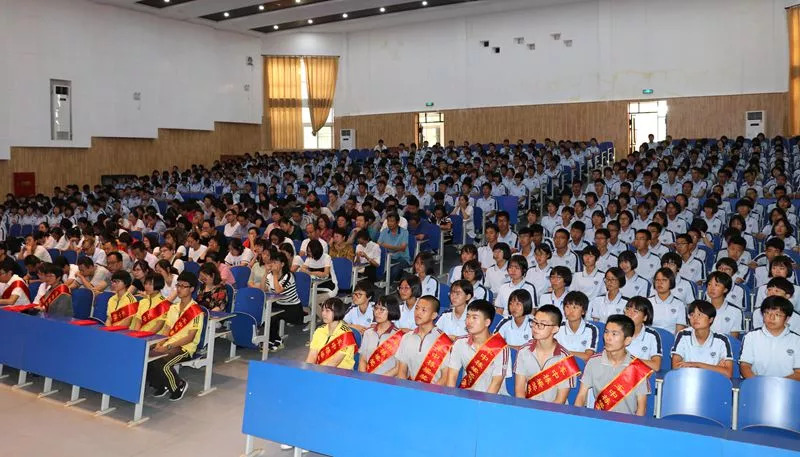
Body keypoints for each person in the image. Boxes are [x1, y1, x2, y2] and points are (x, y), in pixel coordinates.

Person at [574, 314, 652, 416]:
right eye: (606, 332)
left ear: (627, 340)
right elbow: (581, 396)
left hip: (626, 424)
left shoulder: (637, 368)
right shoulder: (594, 361)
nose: (608, 338)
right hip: (599, 420)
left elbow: (641, 409)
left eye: (614, 334)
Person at [147, 271, 205, 401]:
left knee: (163, 363)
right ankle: (162, 385)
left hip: (185, 348)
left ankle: (178, 385)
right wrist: (159, 343)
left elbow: (190, 338)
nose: (179, 289)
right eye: (178, 285)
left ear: (191, 289)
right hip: (169, 344)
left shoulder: (196, 311)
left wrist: (167, 347)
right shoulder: (173, 308)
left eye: (183, 286)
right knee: (149, 355)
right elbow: (166, 330)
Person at [514, 304, 579, 403]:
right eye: (534, 322)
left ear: (555, 329)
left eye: (542, 324)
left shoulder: (565, 359)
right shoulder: (524, 351)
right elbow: (519, 391)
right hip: (527, 408)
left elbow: (560, 400)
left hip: (553, 412)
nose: (535, 327)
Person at [445, 300, 510, 394]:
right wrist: (451, 399)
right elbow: (452, 376)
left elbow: (496, 383)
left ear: (487, 322)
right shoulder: (460, 343)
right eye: (467, 316)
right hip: (467, 395)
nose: (469, 321)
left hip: (493, 400)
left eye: (474, 318)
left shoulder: (501, 347)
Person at [396, 295, 452, 385]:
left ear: (434, 315)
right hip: (410, 390)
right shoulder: (406, 337)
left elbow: (445, 377)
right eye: (416, 308)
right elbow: (402, 371)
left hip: (433, 393)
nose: (418, 313)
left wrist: (428, 394)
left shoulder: (443, 341)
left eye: (423, 310)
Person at [740, 296, 800, 380]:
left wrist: (778, 384)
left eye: (777, 314)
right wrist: (757, 383)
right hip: (756, 385)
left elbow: (798, 372)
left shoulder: (797, 340)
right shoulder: (751, 336)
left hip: (787, 387)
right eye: (767, 313)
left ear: (787, 318)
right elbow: (745, 366)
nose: (771, 318)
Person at [671, 300, 733, 378]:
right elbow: (676, 367)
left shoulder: (722, 340)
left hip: (712, 382)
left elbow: (728, 373)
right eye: (692, 315)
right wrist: (715, 368)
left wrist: (696, 364)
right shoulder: (683, 335)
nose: (695, 318)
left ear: (711, 319)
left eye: (699, 314)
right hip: (687, 380)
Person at [264, 251, 304, 351]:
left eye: (276, 262)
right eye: (272, 262)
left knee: (273, 316)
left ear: (282, 264)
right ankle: (272, 339)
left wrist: (275, 275)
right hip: (279, 304)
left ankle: (275, 340)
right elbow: (262, 289)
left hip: (293, 308)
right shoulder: (270, 275)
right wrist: (265, 273)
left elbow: (278, 291)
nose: (273, 265)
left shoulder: (288, 276)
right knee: (266, 313)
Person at [358, 295, 404, 376]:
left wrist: (380, 380)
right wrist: (365, 378)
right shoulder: (368, 333)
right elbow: (363, 359)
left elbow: (398, 368)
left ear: (391, 311)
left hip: (388, 382)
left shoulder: (399, 336)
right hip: (368, 379)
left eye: (382, 309)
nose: (377, 312)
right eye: (375, 308)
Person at [306, 297, 357, 371]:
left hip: (341, 374)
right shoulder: (319, 330)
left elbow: (334, 363)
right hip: (320, 371)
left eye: (327, 311)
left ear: (337, 312)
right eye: (323, 310)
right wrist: (307, 371)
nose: (323, 313)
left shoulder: (346, 334)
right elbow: (312, 356)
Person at [555, 291, 599, 362]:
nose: (570, 311)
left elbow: (588, 356)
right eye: (567, 307)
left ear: (583, 311)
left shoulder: (591, 329)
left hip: (582, 368)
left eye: (575, 307)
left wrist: (563, 353)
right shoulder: (557, 326)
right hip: (560, 366)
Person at [623, 296, 663, 372]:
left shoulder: (652, 335)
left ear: (645, 317)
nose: (629, 314)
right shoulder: (617, 331)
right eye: (627, 309)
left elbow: (656, 366)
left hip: (641, 377)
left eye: (635, 311)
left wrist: (629, 360)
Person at [301, 239, 338, 318]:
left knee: (312, 302)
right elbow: (302, 269)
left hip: (329, 287)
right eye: (308, 251)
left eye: (310, 251)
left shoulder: (326, 257)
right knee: (303, 300)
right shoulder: (309, 258)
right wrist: (316, 273)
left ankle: (325, 319)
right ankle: (315, 317)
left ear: (316, 251)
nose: (308, 253)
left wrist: (310, 273)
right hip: (316, 288)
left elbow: (325, 274)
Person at [647, 267, 687, 334]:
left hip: (671, 342)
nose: (660, 283)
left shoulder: (679, 304)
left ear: (671, 282)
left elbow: (679, 331)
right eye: (657, 280)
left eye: (664, 280)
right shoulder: (647, 302)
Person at [704, 271, 743, 339]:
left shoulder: (736, 311)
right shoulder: (700, 308)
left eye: (716, 285)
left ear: (725, 289)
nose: (712, 288)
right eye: (709, 284)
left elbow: (733, 339)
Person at [377, 213, 410, 281]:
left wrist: (385, 245)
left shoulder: (404, 232)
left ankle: (386, 283)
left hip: (401, 258)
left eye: (392, 221)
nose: (389, 223)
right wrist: (395, 248)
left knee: (394, 269)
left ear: (397, 222)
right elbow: (378, 245)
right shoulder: (384, 231)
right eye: (388, 221)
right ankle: (383, 281)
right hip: (387, 258)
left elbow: (402, 248)